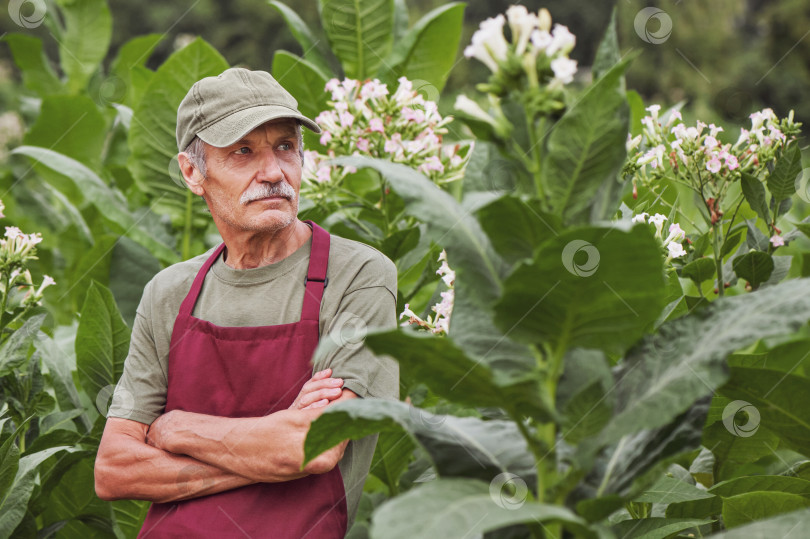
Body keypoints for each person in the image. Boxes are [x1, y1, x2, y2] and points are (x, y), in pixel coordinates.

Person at [94, 67, 399, 538]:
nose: (274, 172)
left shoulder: (358, 275)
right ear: (193, 172)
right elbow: (115, 470)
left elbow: (313, 448)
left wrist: (178, 430)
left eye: (285, 146)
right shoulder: (170, 292)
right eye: (243, 151)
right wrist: (272, 445)